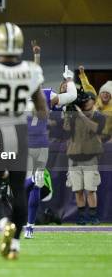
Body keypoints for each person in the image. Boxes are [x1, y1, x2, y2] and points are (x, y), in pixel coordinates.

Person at [0, 22, 47, 260]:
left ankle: (4, 222)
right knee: (18, 191)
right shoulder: (31, 71)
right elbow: (42, 110)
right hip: (20, 131)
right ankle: (15, 246)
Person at [24, 42, 77, 238]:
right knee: (36, 186)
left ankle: (31, 181)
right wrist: (69, 78)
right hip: (42, 144)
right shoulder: (46, 95)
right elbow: (72, 95)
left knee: (21, 184)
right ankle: (30, 226)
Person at [64, 90, 107, 225]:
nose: (85, 102)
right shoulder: (74, 115)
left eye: (87, 100)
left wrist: (81, 115)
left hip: (90, 158)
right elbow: (66, 130)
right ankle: (82, 216)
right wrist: (68, 114)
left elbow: (96, 129)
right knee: (77, 190)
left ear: (93, 100)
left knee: (91, 189)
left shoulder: (99, 116)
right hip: (74, 157)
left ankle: (93, 216)